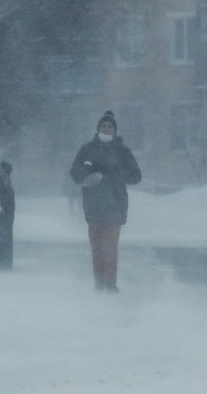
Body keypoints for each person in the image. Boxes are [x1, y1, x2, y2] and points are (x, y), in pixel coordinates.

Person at [70, 110, 141, 293]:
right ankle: (99, 283)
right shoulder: (87, 149)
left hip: (115, 206)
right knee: (97, 248)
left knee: (110, 248)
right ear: (98, 128)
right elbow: (75, 173)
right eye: (104, 125)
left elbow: (136, 176)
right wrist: (89, 176)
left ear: (115, 130)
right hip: (93, 205)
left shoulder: (122, 151)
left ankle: (110, 283)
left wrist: (113, 176)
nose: (107, 128)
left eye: (110, 126)